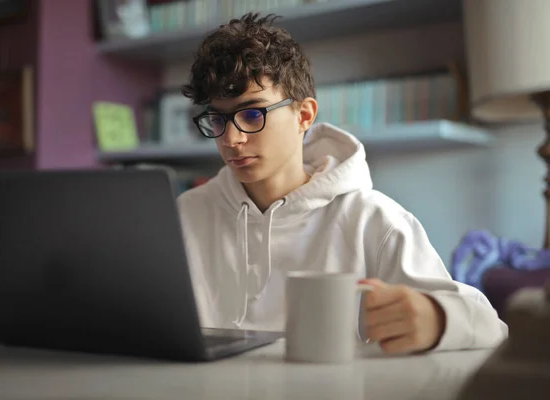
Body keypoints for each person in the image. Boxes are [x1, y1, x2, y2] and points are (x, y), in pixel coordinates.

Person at [177, 13, 508, 354]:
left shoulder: (374, 219)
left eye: (251, 114)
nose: (231, 139)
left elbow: (491, 328)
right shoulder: (183, 215)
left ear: (304, 115)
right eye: (217, 118)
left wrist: (438, 319)